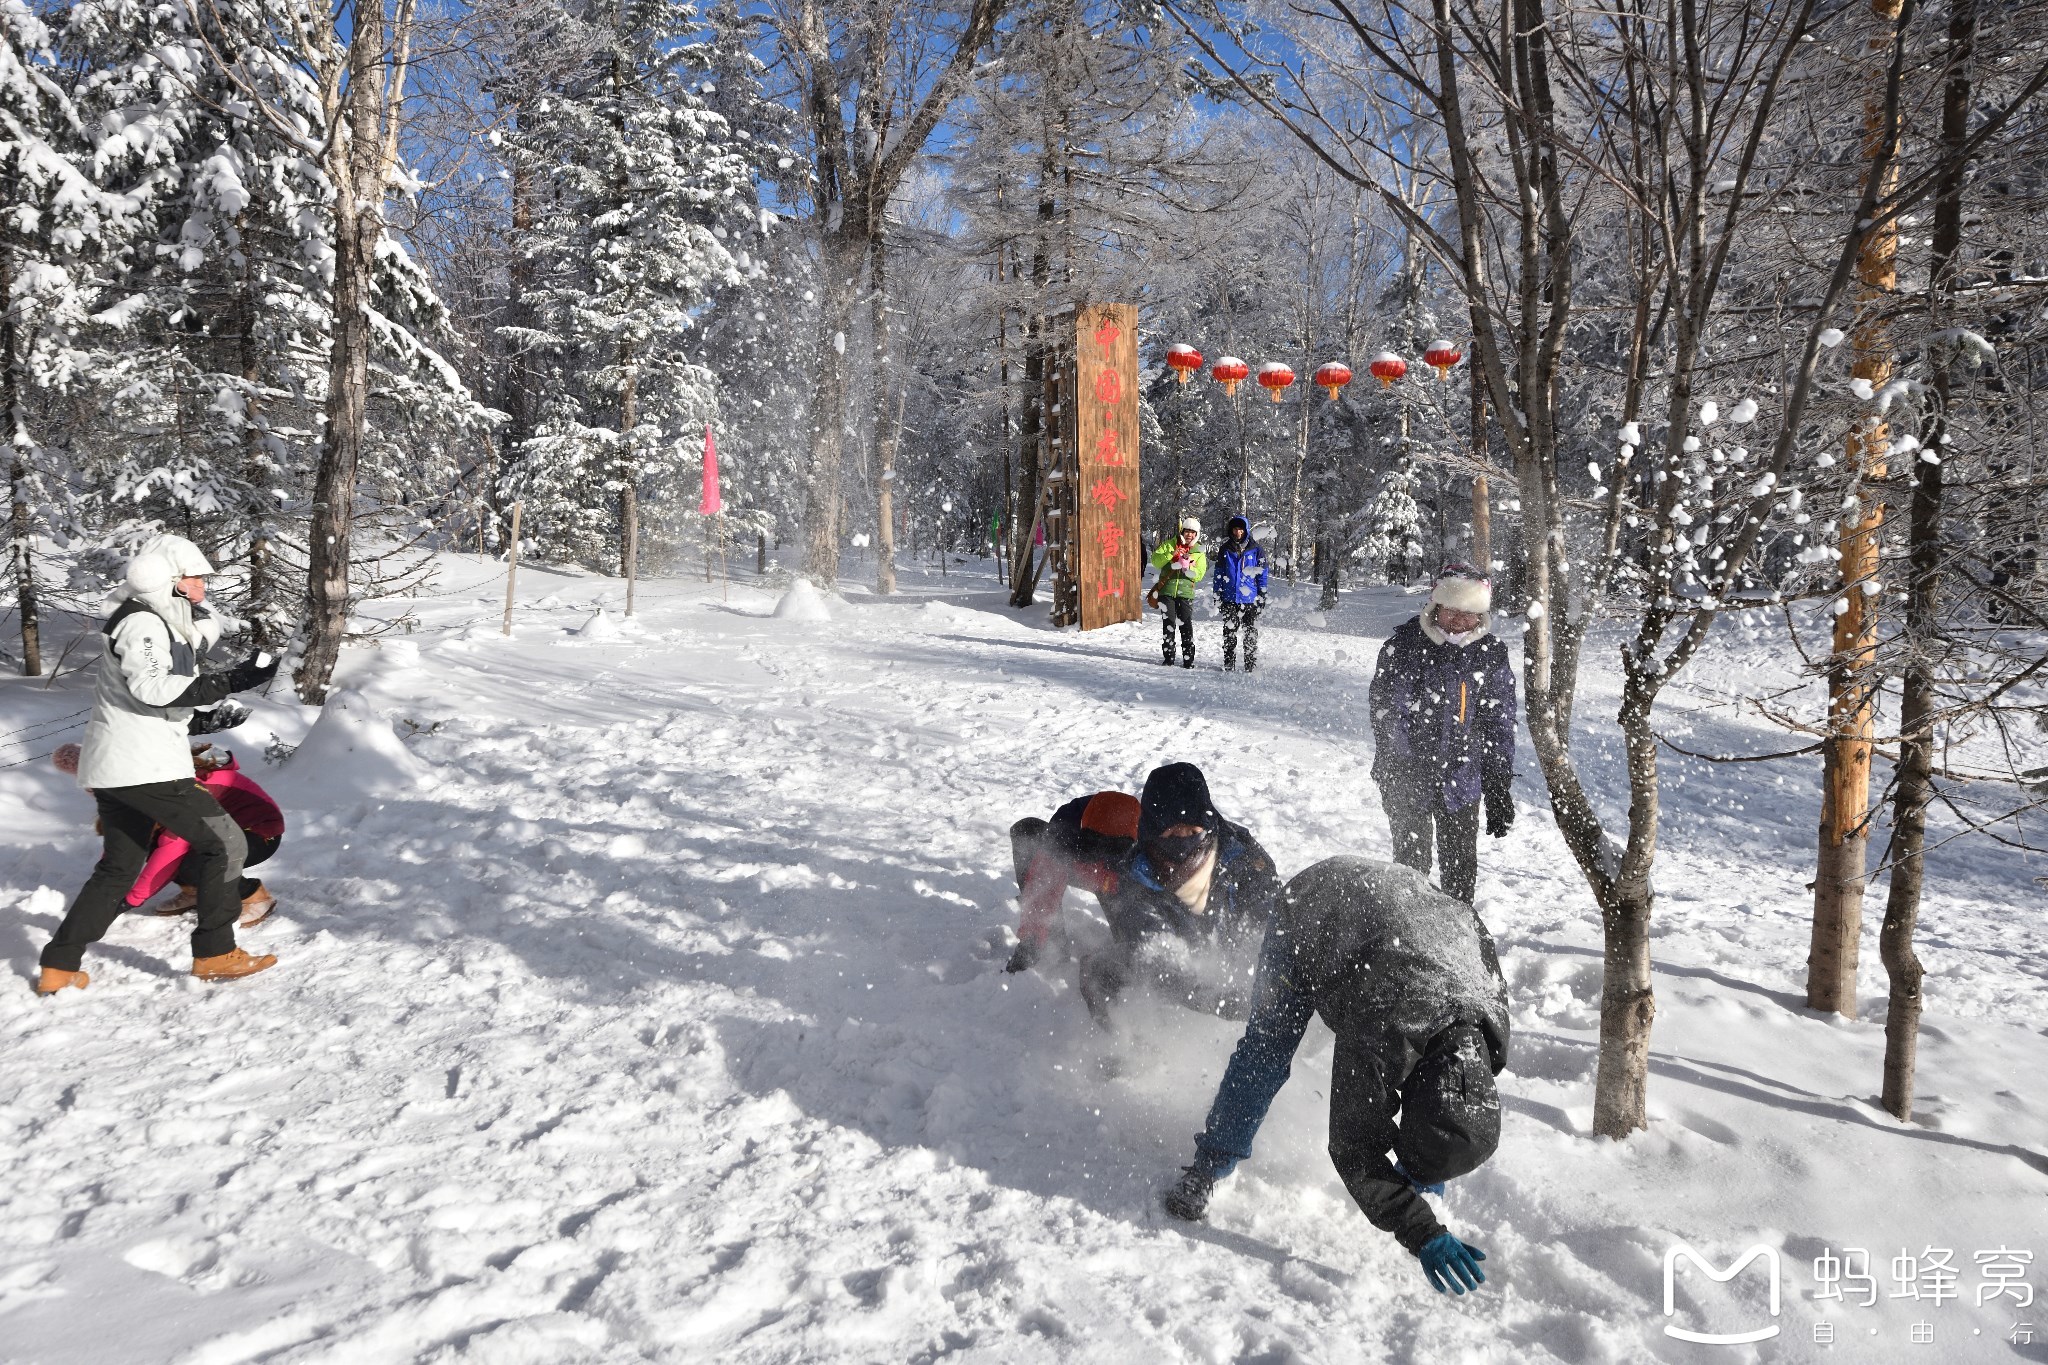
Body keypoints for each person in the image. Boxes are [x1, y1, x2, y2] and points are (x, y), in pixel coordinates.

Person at [1162, 856, 1510, 1297]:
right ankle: (1209, 1166)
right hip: (1311, 910)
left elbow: (1449, 1105)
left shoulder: (1489, 1026)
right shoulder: (1381, 1020)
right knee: (1267, 1051)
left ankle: (1419, 1168)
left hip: (1401, 908)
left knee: (1440, 1120)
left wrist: (1421, 1173)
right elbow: (1353, 1146)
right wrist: (1419, 1228)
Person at [35, 535, 281, 995]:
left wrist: (216, 694)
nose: (204, 584)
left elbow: (192, 640)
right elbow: (153, 688)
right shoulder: (142, 623)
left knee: (118, 868)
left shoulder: (159, 621)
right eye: (196, 577)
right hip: (144, 765)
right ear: (169, 581)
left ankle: (60, 964)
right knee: (224, 842)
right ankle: (215, 952)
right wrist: (236, 678)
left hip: (123, 764)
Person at [1078, 762, 1282, 1024]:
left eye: (1193, 831)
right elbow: (1157, 956)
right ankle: (1120, 1050)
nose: (1184, 842)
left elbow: (1271, 916)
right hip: (1166, 963)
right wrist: (1219, 999)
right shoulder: (1136, 878)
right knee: (1103, 972)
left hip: (1225, 957)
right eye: (1173, 832)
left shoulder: (1240, 855)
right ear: (1153, 832)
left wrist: (1272, 984)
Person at [1368, 563, 1517, 904]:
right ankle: (1406, 934)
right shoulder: (1404, 646)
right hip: (1406, 774)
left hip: (1461, 779)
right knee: (1410, 866)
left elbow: (1499, 721)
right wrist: (1402, 764)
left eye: (1470, 614)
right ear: (1437, 607)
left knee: (1460, 866)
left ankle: (1459, 933)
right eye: (1453, 611)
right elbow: (1390, 712)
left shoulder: (1490, 654)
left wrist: (1497, 781)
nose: (1461, 621)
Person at [51, 741, 285, 927]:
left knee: (196, 863)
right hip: (218, 829)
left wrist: (131, 900)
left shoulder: (171, 787)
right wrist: (106, 882)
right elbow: (123, 840)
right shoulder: (138, 786)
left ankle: (254, 895)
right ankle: (196, 891)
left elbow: (173, 846)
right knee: (149, 837)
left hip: (259, 830)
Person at [1004, 790, 1142, 974]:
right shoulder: (1064, 836)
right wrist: (1032, 941)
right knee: (1026, 831)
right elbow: (1042, 886)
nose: (1102, 854)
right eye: (1095, 846)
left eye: (1111, 849)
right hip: (1081, 866)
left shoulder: (1152, 844)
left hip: (1119, 881)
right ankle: (1051, 942)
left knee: (1133, 947)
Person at [1211, 516, 1268, 673]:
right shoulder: (1225, 549)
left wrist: (1262, 594)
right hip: (1229, 598)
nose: (1238, 532)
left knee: (1250, 633)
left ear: (1246, 530)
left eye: (1241, 529)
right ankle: (1229, 664)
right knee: (1229, 633)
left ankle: (1250, 665)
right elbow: (1219, 573)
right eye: (1235, 529)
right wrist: (1217, 594)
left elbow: (1262, 574)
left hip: (1249, 599)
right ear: (1231, 530)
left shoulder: (1256, 550)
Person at [1148, 518, 1208, 668]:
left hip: (1186, 593)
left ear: (1197, 534)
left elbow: (1200, 574)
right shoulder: (1169, 544)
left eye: (1193, 532)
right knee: (1169, 624)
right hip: (1167, 591)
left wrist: (1189, 569)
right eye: (1187, 531)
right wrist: (1171, 554)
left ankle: (1188, 659)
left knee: (1186, 625)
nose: (1189, 535)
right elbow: (1155, 561)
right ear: (1182, 531)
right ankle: (1168, 657)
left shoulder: (1198, 550)